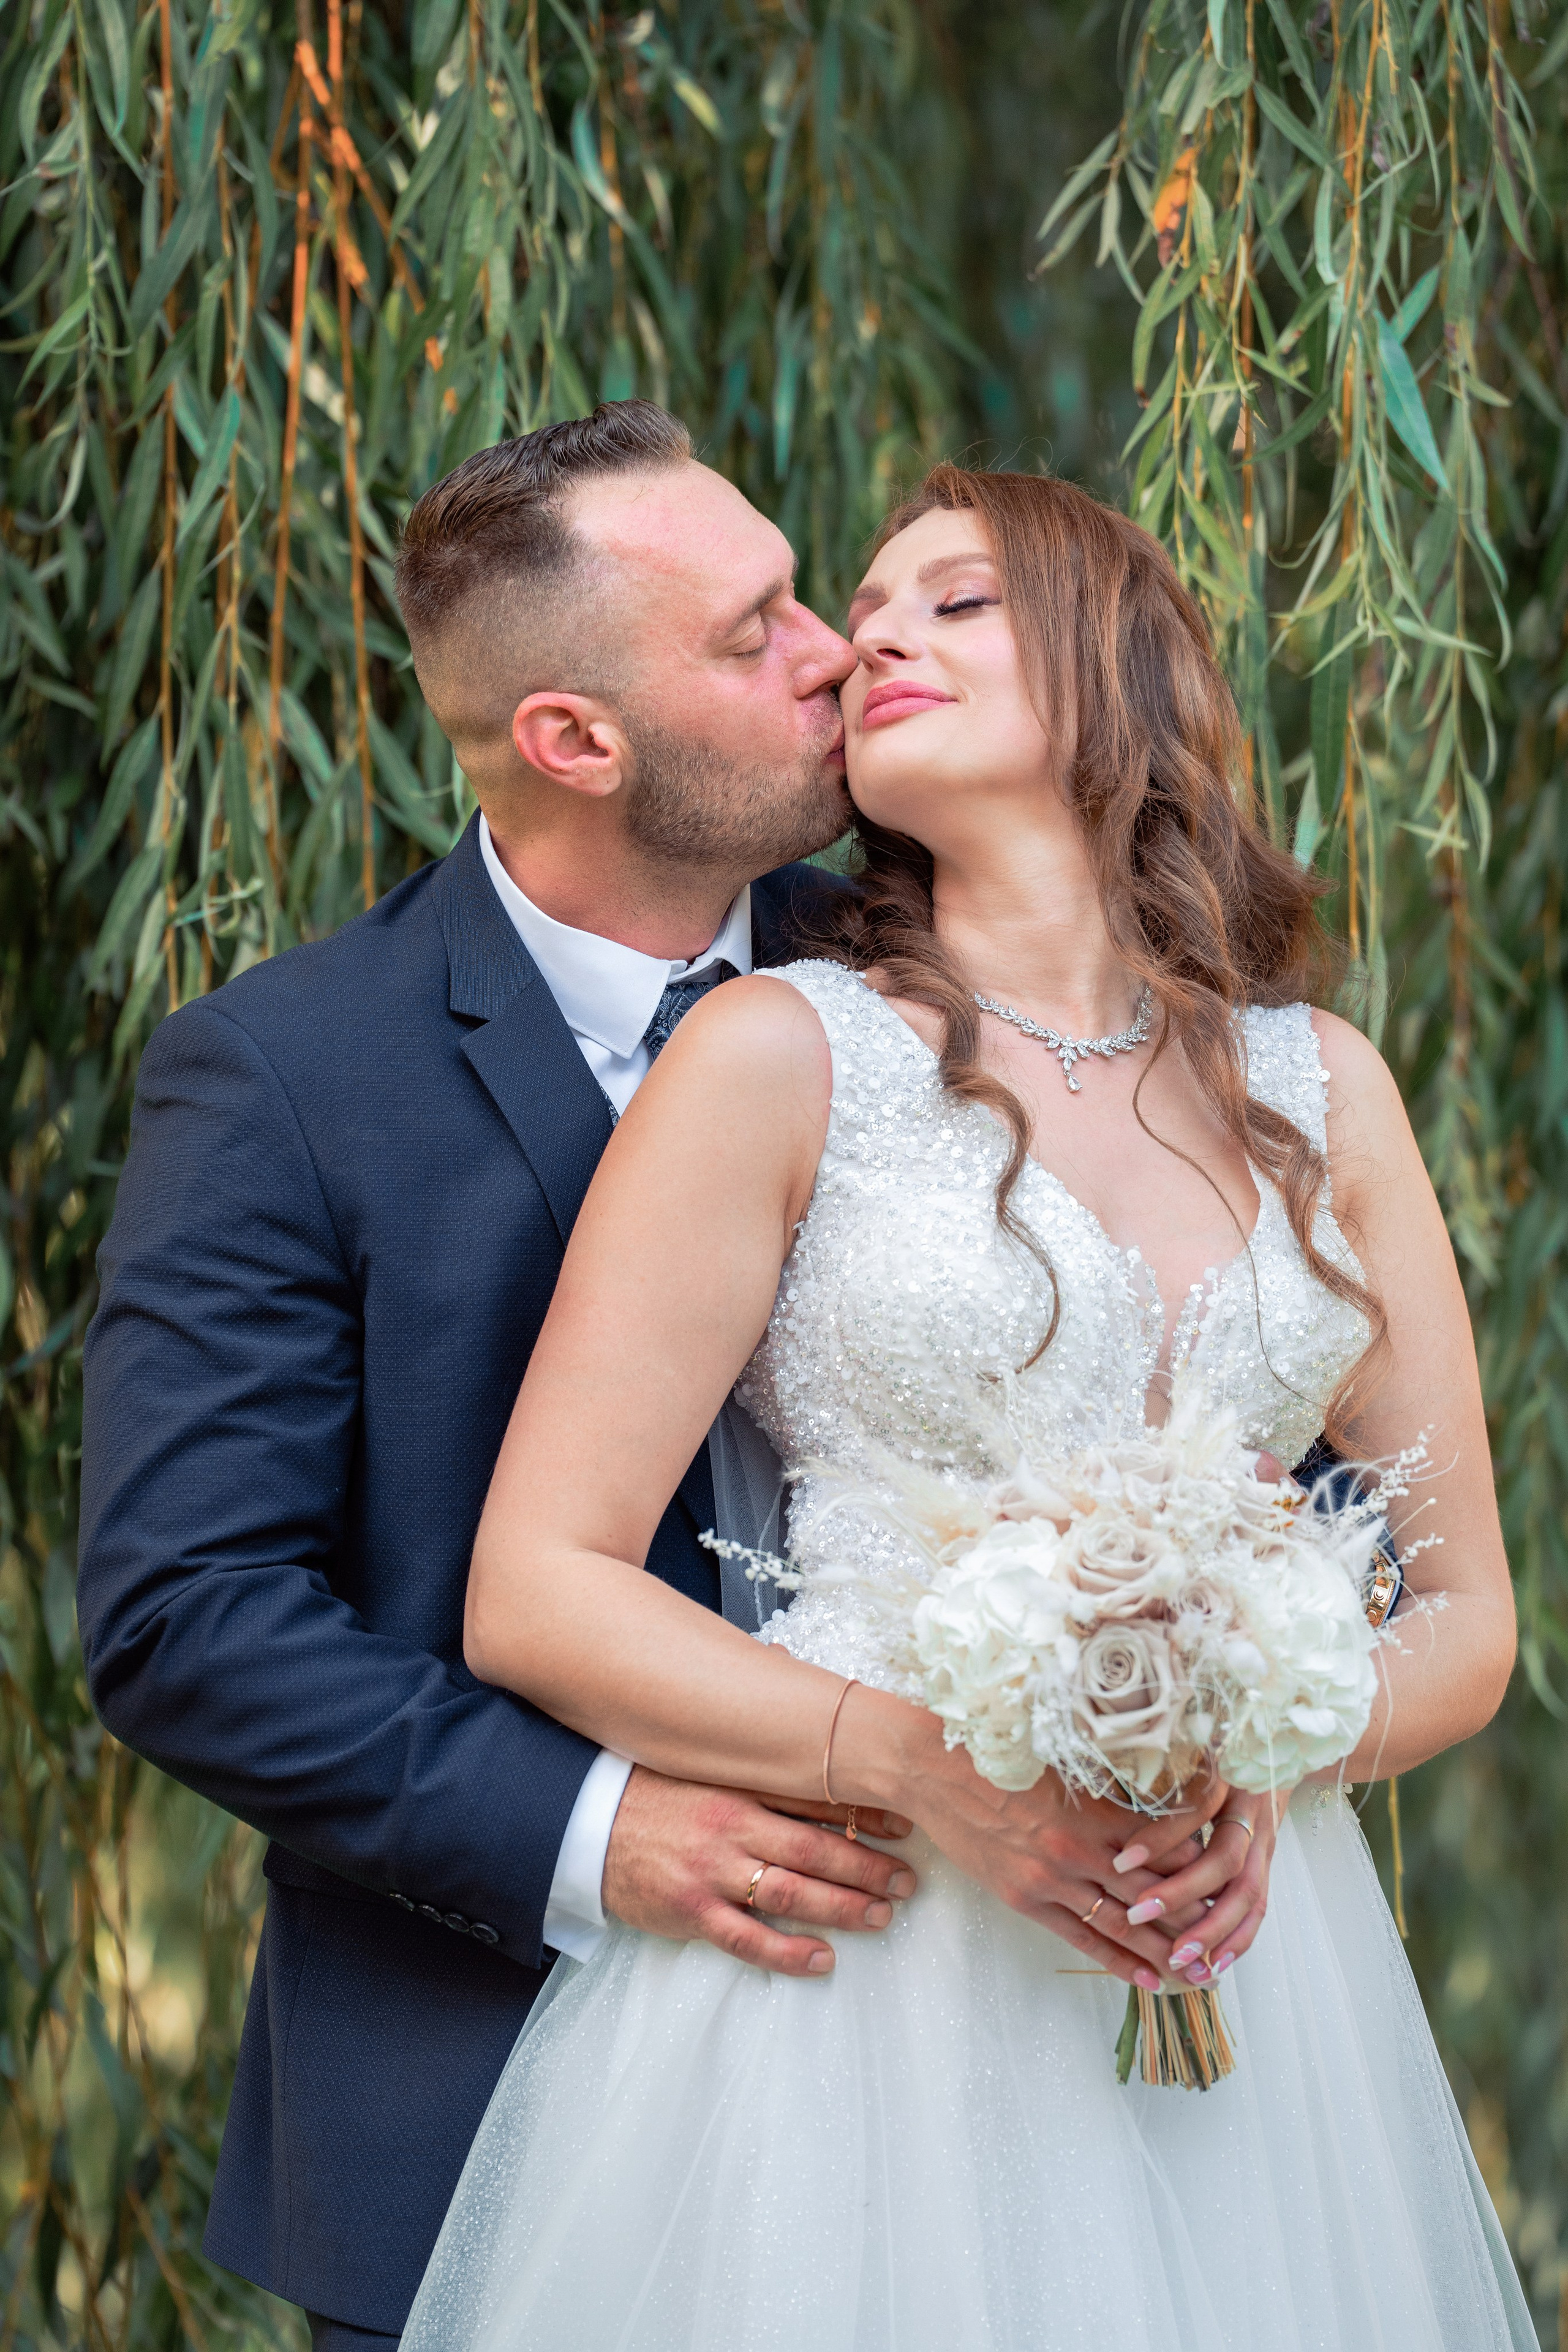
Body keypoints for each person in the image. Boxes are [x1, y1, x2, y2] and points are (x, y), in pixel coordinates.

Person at [75, 405, 1213, 2351]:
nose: (834, 654)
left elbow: (1234, 1359)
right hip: (484, 2097)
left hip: (993, 2063)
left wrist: (1229, 1694)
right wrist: (604, 1830)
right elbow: (190, 1618)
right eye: (755, 630)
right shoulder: (284, 1079)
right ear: (575, 743)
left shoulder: (948, 979)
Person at [399, 463, 1537, 2350]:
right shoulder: (774, 1059)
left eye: (960, 600)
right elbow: (537, 1587)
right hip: (870, 1976)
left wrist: (1273, 1751)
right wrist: (923, 1757)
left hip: (1251, 1971)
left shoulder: (1322, 1087)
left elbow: (1473, 1619)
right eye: (868, 607)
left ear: (1124, 671)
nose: (873, 641)